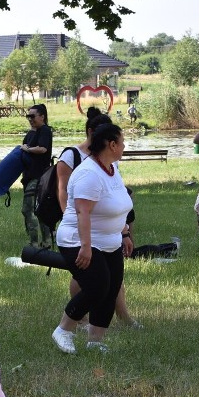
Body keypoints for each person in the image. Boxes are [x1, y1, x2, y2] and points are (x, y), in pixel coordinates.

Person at [51, 123, 133, 354]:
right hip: (78, 240)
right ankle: (64, 330)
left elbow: (116, 203)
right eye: (122, 142)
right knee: (98, 286)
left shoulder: (112, 167)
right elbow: (82, 212)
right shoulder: (89, 173)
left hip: (110, 240)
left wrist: (124, 231)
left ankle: (95, 341)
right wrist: (85, 247)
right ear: (112, 144)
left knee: (112, 286)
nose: (125, 146)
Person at [20, 103, 53, 248]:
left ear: (42, 116)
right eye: (28, 116)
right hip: (29, 176)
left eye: (32, 116)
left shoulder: (45, 131)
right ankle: (45, 242)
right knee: (38, 211)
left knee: (28, 209)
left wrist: (27, 149)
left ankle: (35, 244)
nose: (30, 119)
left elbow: (42, 149)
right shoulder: (32, 133)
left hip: (39, 177)